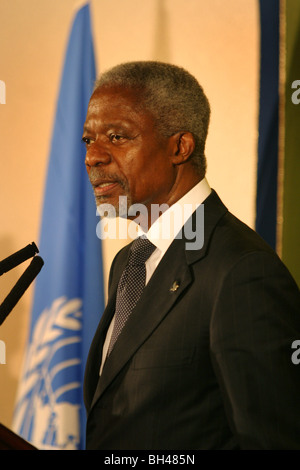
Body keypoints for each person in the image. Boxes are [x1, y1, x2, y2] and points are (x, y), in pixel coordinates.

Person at [82, 61, 300, 450]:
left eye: (116, 137)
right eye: (88, 140)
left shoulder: (242, 271)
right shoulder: (129, 264)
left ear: (179, 147)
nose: (93, 157)